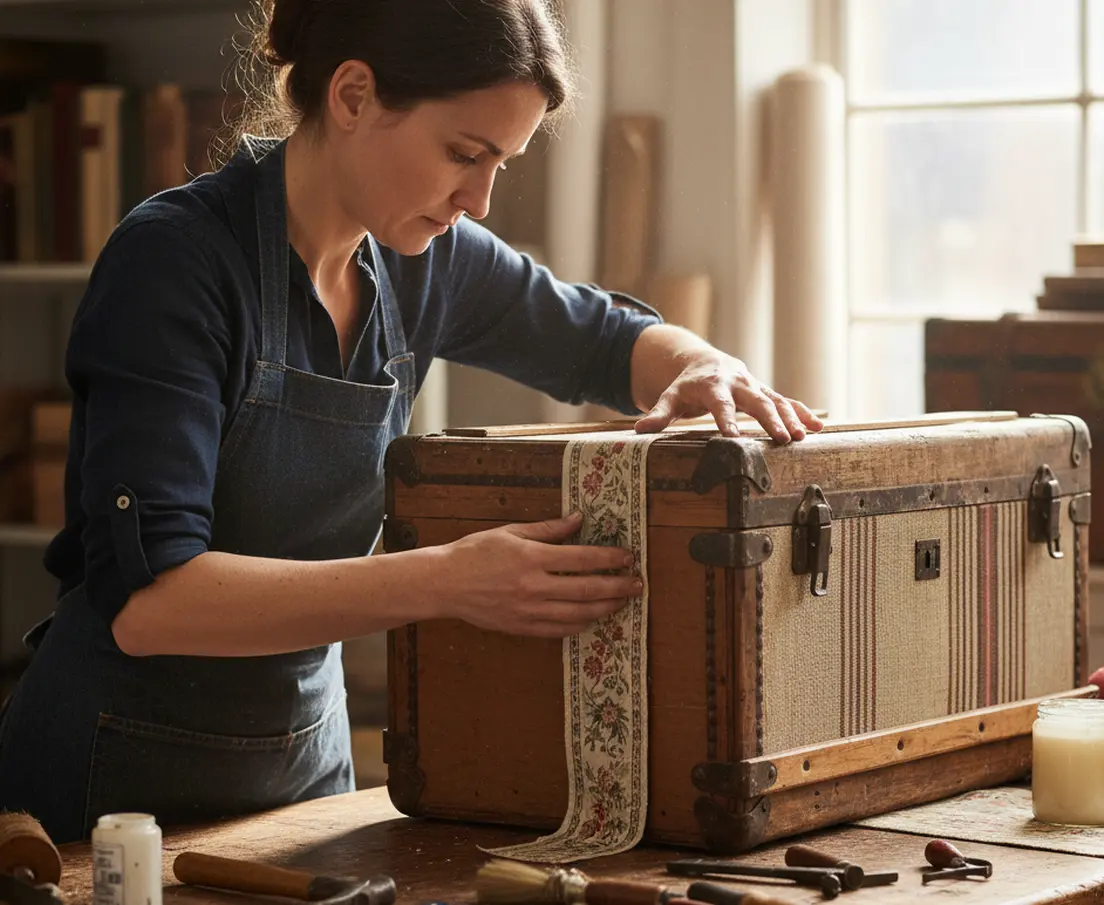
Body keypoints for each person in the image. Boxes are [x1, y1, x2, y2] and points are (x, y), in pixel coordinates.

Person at [0, 0, 823, 843]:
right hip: (109, 788)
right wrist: (446, 580)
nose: (480, 200)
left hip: (304, 776)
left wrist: (703, 365)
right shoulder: (174, 261)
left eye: (500, 163)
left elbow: (609, 339)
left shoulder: (426, 262)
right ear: (353, 96)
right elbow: (154, 602)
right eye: (464, 154)